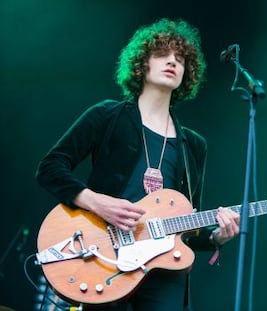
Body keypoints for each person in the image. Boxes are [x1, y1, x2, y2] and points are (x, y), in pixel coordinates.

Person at [35, 18, 240, 311]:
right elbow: (50, 167)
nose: (173, 61)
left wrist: (217, 237)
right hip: (103, 257)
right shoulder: (107, 116)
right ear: (142, 64)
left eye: (181, 59)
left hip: (164, 269)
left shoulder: (193, 145)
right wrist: (96, 202)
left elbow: (187, 228)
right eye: (162, 54)